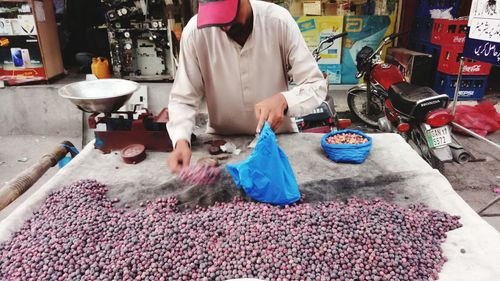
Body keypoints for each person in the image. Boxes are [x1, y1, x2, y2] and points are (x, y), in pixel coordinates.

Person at [166, 0, 327, 172]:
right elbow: (183, 99)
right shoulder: (195, 33)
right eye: (217, 17)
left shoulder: (278, 21)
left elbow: (316, 84)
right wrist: (181, 140)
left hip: (277, 139)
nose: (226, 27)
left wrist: (284, 100)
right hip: (223, 144)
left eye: (230, 15)